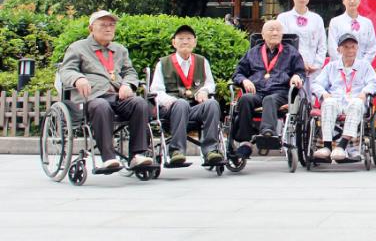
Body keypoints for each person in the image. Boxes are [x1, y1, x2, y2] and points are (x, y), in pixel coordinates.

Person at [59, 11, 153, 173]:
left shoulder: (120, 50)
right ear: (91, 28)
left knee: (140, 103)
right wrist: (78, 78)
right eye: (103, 25)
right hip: (92, 97)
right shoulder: (78, 47)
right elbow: (66, 70)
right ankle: (109, 158)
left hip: (117, 96)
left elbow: (130, 72)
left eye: (111, 25)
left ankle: (137, 155)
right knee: (101, 106)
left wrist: (128, 84)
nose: (108, 28)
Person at [150, 24, 224, 167]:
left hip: (194, 107)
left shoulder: (202, 61)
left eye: (189, 38)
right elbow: (156, 90)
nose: (185, 42)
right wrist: (170, 100)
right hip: (171, 109)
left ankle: (211, 150)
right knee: (181, 104)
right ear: (174, 42)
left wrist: (204, 91)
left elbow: (210, 84)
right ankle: (176, 151)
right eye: (181, 38)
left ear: (195, 42)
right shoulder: (163, 63)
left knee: (212, 104)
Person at [230, 19, 306, 159]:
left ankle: (267, 133)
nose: (275, 33)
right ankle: (245, 142)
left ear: (282, 34)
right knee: (245, 99)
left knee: (270, 99)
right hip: (257, 92)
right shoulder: (253, 53)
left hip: (280, 92)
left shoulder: (291, 53)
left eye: (278, 30)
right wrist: (244, 80)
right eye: (271, 30)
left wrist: (297, 76)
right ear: (263, 35)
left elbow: (300, 72)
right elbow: (237, 73)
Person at [310, 32, 376, 162]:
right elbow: (316, 84)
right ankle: (327, 147)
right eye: (346, 47)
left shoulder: (364, 66)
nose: (350, 50)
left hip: (355, 101)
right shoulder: (331, 67)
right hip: (336, 101)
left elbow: (373, 83)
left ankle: (342, 146)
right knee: (328, 102)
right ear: (339, 50)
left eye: (353, 47)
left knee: (357, 103)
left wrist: (365, 92)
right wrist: (323, 93)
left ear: (357, 48)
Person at [277, 0, 327, 77]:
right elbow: (283, 44)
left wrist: (316, 64)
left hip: (313, 70)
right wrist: (299, 63)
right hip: (291, 68)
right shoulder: (283, 18)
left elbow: (322, 45)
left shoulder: (317, 18)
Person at [327, 0, 376, 65]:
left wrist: (361, 65)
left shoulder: (367, 23)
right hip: (340, 67)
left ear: (359, 0)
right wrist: (345, 64)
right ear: (343, 1)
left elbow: (371, 48)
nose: (352, 1)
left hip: (362, 68)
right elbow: (332, 47)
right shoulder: (335, 22)